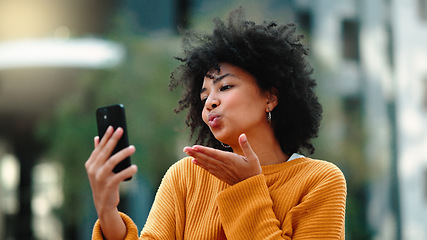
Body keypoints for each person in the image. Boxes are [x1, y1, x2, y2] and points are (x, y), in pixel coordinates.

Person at [85, 7, 347, 240]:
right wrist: (108, 212)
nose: (210, 102)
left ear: (270, 97)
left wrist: (246, 188)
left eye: (226, 87)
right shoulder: (185, 176)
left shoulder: (320, 181)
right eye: (204, 96)